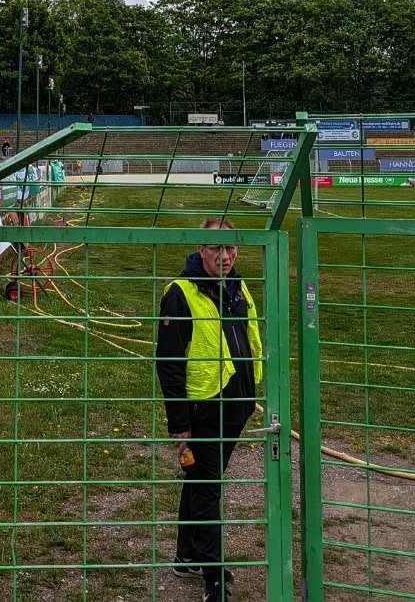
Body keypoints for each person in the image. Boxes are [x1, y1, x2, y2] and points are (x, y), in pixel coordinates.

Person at [156, 218, 262, 601]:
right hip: (205, 408)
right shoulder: (181, 292)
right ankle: (214, 578)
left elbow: (248, 338)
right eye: (217, 248)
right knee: (208, 488)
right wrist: (179, 423)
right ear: (202, 250)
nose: (226, 255)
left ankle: (187, 554)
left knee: (201, 480)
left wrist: (251, 393)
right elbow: (168, 362)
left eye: (231, 248)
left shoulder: (237, 287)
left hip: (237, 404)